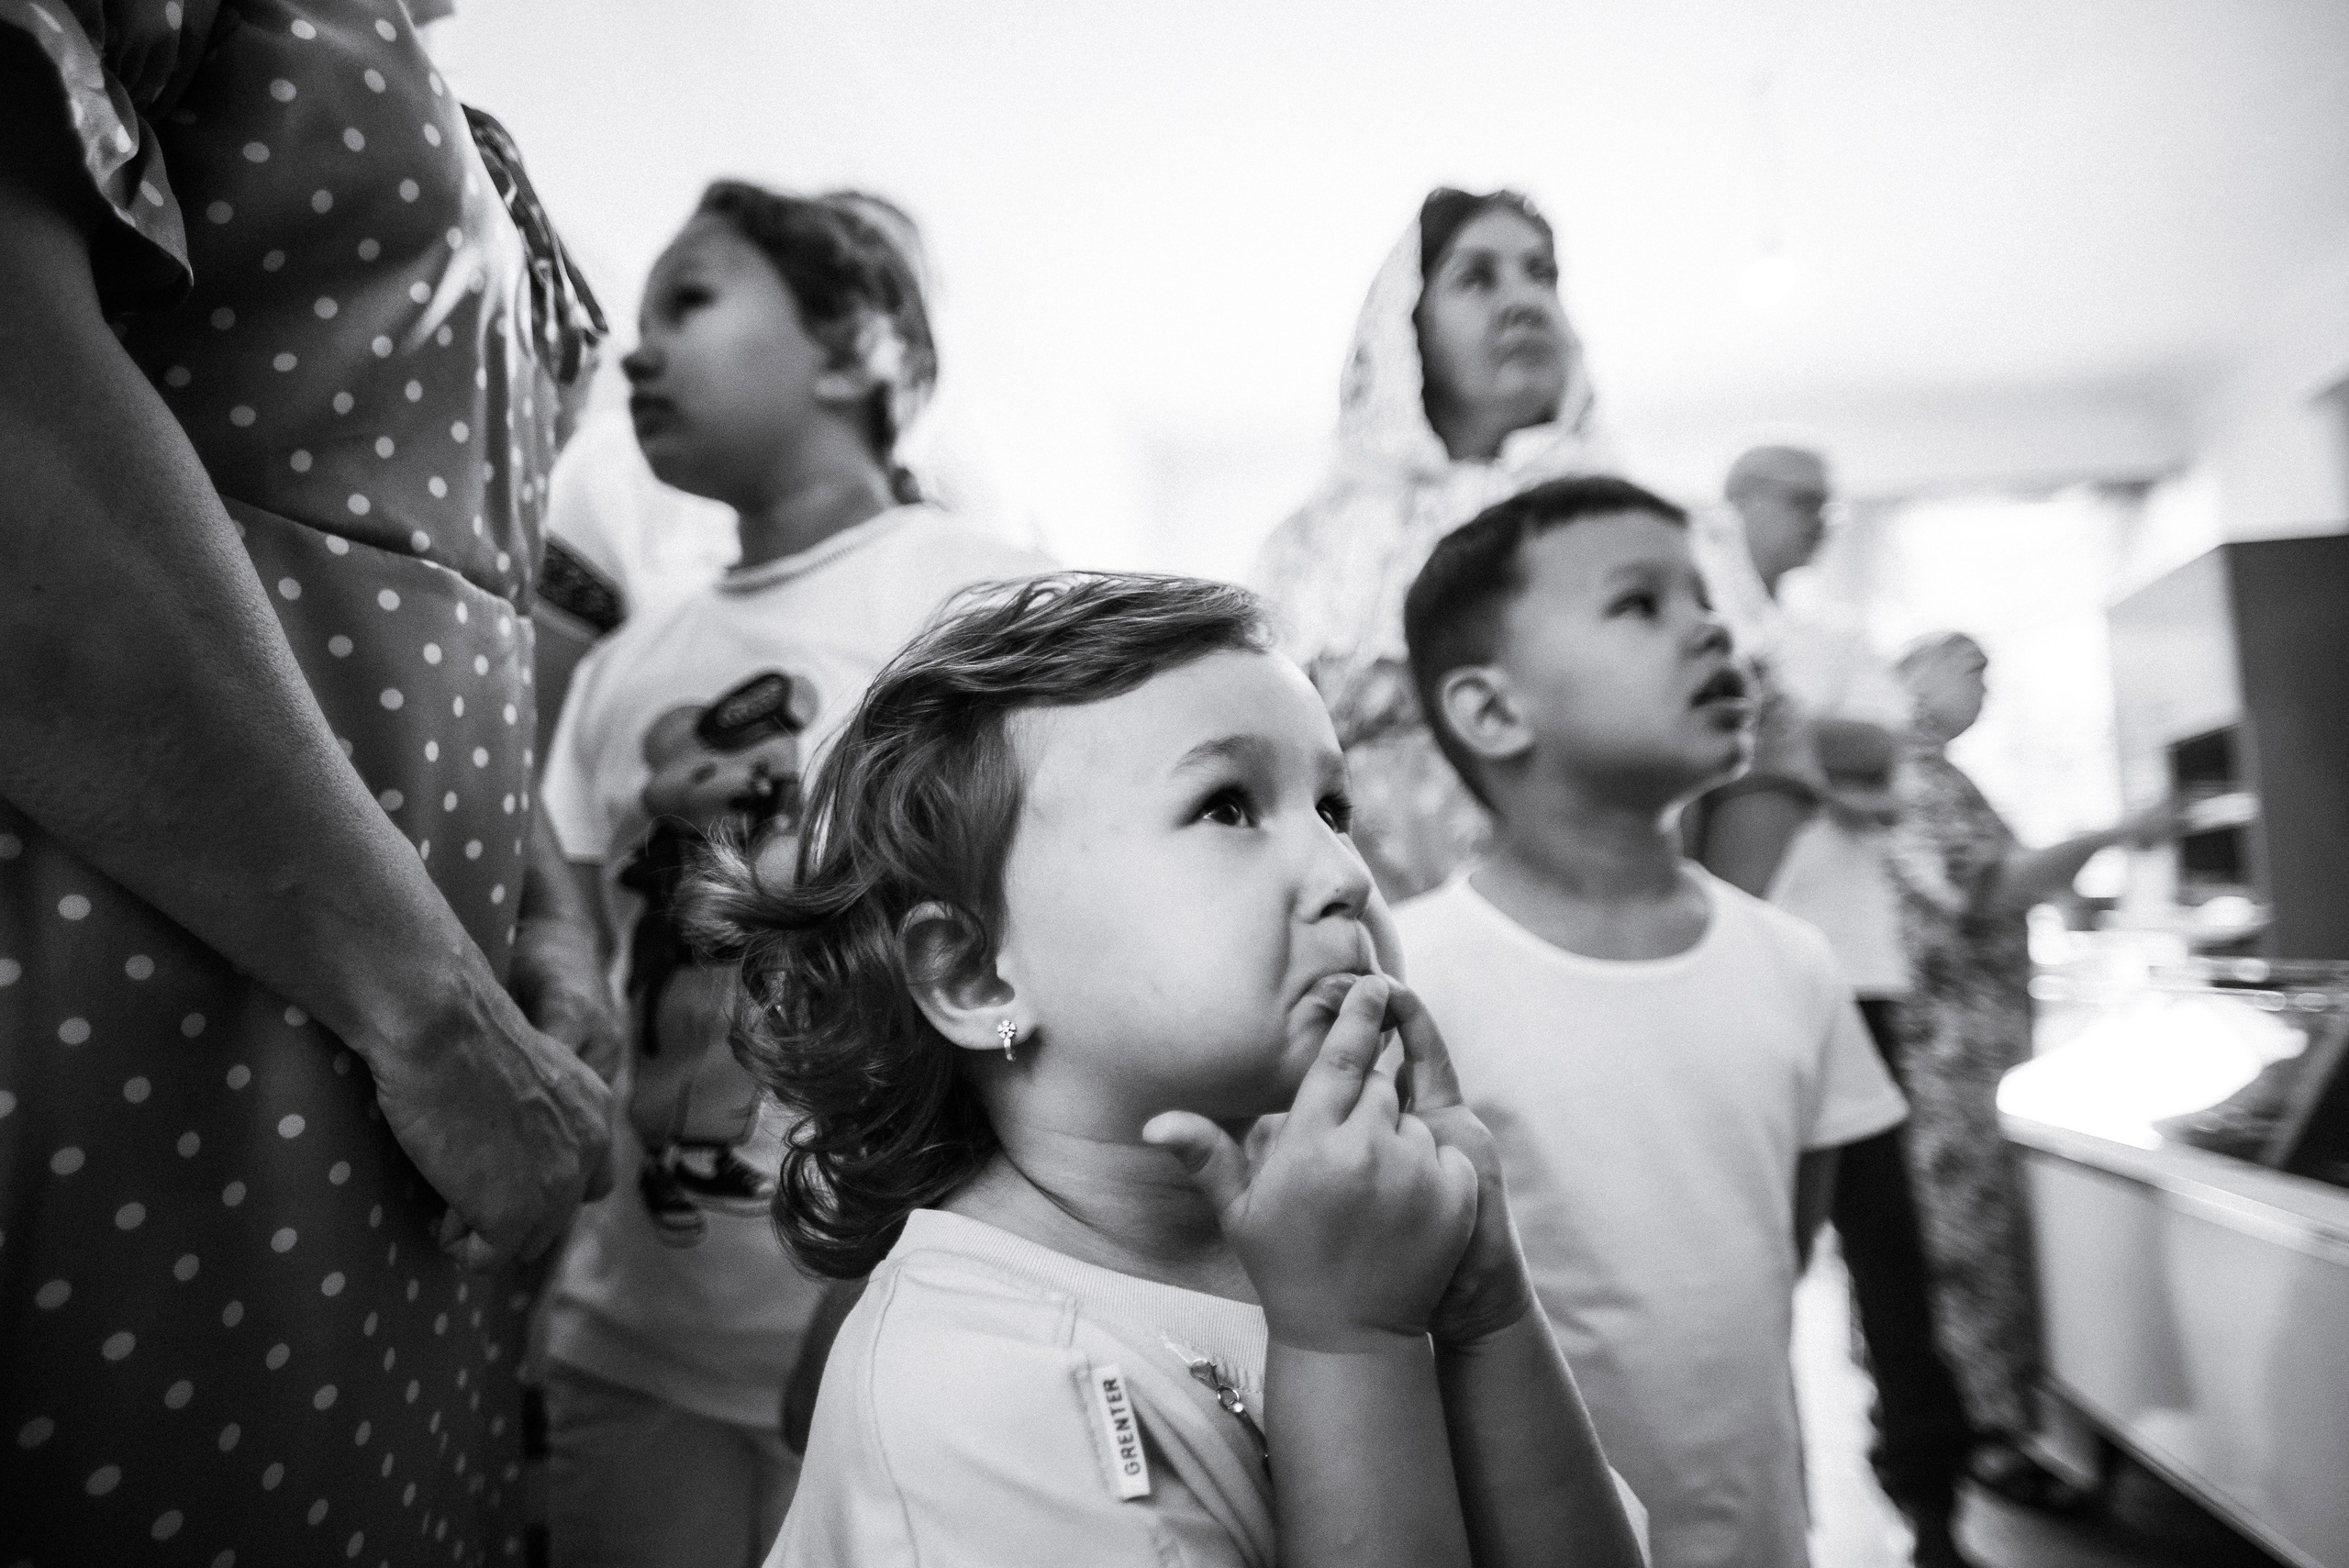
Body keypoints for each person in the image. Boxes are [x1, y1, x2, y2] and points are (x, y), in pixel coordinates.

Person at [0, 4, 619, 1562]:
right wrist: (438, 1012)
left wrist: (539, 906)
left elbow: (454, 589)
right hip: (154, 1000)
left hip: (381, 1047)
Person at [696, 573, 1645, 1567]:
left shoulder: (1353, 1239)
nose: (1346, 875)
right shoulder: (971, 1385)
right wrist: (1349, 1342)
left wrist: (1489, 1310)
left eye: (1331, 807)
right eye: (1227, 807)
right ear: (975, 975)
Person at [532, 182, 1050, 1568]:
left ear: (854, 349)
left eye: (688, 302)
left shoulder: (985, 606)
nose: (638, 351)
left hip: (916, 1325)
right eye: (635, 321)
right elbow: (571, 946)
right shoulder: (626, 673)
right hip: (632, 1337)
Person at [1389, 475, 1909, 1568]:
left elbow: (1781, 1249)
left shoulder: (1791, 962)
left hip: (1755, 1525)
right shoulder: (1408, 975)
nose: (1710, 625)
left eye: (1703, 597)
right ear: (1491, 708)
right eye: (1640, 603)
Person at [1689, 445, 1979, 1564]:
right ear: (1744, 502)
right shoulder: (1703, 617)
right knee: (1729, 1255)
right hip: (1725, 969)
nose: (1822, 521)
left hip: (1852, 979)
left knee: (1889, 1256)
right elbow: (1807, 752)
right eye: (1804, 500)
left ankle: (1933, 1512)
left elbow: (1882, 755)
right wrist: (1813, 750)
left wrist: (1790, 741)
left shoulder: (1839, 643)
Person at [1255, 186, 1615, 901]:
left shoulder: (1619, 524)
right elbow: (1271, 761)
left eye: (1542, 273)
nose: (1523, 300)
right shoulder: (1313, 545)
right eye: (1477, 277)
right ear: (1405, 327)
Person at [1889, 631, 2180, 1512]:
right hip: (1944, 1062)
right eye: (1974, 669)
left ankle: (1993, 1425)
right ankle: (1982, 1438)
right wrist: (2113, 833)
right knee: (1966, 1252)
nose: (1988, 690)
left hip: (1975, 1056)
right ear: (1917, 672)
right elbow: (1984, 888)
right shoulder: (1908, 775)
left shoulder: (1944, 775)